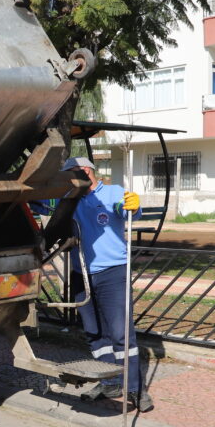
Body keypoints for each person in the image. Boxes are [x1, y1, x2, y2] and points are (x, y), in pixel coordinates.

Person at [64, 156, 153, 412]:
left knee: (121, 334)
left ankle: (134, 389)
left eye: (79, 171)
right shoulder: (67, 199)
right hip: (80, 273)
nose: (77, 176)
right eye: (71, 173)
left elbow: (123, 209)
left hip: (113, 272)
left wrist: (133, 207)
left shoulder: (113, 192)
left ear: (90, 171)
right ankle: (109, 382)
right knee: (95, 334)